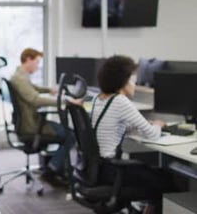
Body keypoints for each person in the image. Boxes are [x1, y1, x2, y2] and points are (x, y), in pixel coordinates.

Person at [92, 55, 176, 213]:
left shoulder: (100, 98)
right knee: (167, 180)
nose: (135, 84)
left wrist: (139, 125)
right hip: (112, 171)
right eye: (133, 79)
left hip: (98, 169)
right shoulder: (121, 101)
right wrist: (157, 125)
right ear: (123, 81)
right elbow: (152, 135)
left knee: (155, 175)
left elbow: (112, 122)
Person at [10, 48, 80, 186]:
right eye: (37, 62)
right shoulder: (20, 78)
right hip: (31, 125)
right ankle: (52, 171)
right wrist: (66, 101)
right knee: (70, 135)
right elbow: (35, 100)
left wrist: (49, 90)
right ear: (28, 59)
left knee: (69, 133)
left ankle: (57, 169)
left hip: (31, 121)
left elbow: (34, 89)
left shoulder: (20, 76)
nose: (38, 65)